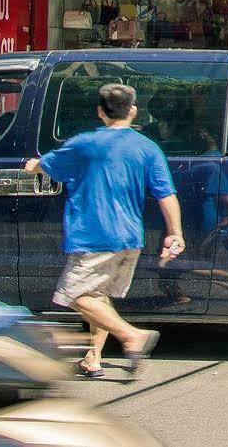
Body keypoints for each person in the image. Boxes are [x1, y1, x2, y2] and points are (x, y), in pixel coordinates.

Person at [24, 83, 182, 380]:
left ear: (100, 112)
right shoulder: (148, 148)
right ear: (133, 110)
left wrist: (33, 165)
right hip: (129, 237)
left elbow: (47, 165)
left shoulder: (84, 144)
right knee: (97, 295)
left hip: (94, 235)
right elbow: (166, 194)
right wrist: (175, 233)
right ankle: (93, 357)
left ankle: (131, 336)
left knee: (74, 294)